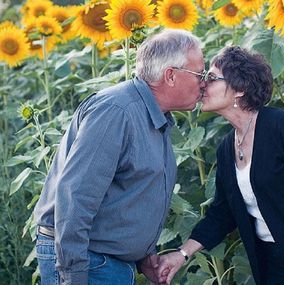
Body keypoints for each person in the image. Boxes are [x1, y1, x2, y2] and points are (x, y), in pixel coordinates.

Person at [156, 46, 284, 285]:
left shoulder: (282, 127)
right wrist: (181, 255)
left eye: (211, 78)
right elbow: (222, 213)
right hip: (272, 267)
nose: (202, 85)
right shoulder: (226, 148)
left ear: (240, 89)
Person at [33, 28, 206, 285]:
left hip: (105, 261)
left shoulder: (152, 115)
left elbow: (127, 192)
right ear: (170, 76)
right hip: (88, 262)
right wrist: (73, 277)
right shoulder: (117, 111)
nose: (204, 82)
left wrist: (144, 256)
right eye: (199, 74)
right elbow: (75, 196)